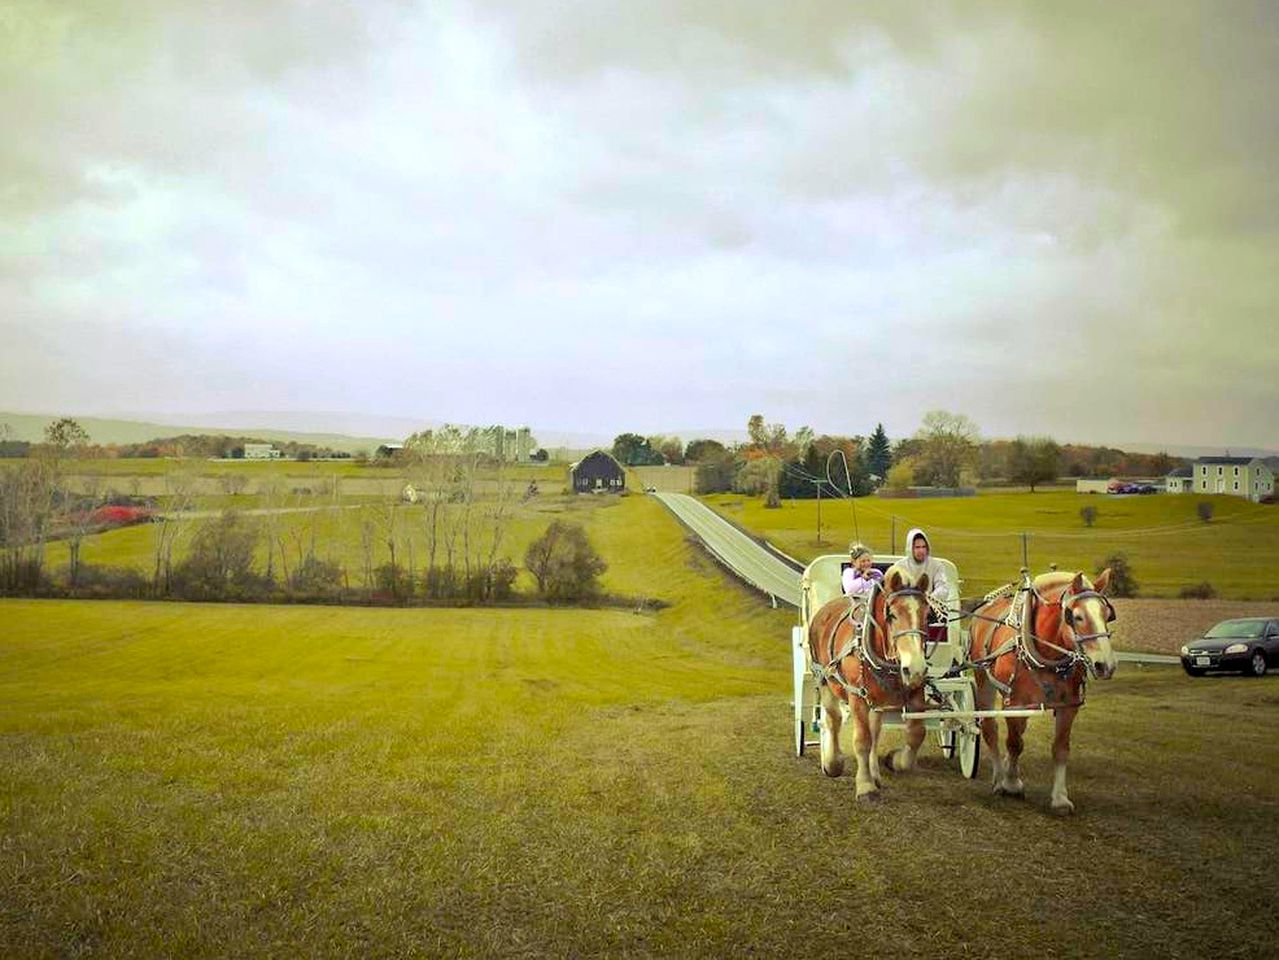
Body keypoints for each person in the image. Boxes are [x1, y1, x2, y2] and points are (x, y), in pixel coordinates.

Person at [896, 527, 951, 611]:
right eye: (917, 547)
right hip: (906, 612)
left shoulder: (937, 565)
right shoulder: (899, 566)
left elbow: (943, 588)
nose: (921, 550)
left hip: (930, 609)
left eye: (923, 547)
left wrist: (928, 599)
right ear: (910, 548)